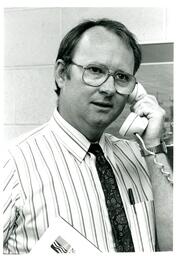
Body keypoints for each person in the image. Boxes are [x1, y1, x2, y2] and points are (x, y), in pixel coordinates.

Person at [3, 18, 173, 254]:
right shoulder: (12, 165)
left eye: (122, 77)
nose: (109, 88)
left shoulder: (140, 157)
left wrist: (153, 144)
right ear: (62, 73)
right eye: (95, 70)